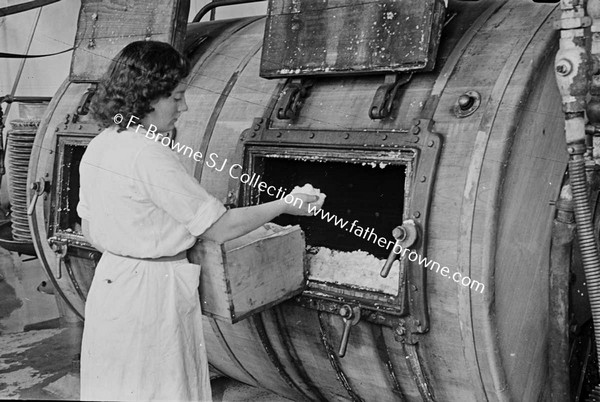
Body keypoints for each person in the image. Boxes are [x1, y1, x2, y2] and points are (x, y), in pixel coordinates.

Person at [77, 40, 321, 401]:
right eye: (176, 97)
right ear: (147, 97)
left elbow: (90, 224)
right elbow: (219, 227)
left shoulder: (104, 142)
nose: (184, 106)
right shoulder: (148, 154)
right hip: (150, 293)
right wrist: (285, 204)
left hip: (113, 283)